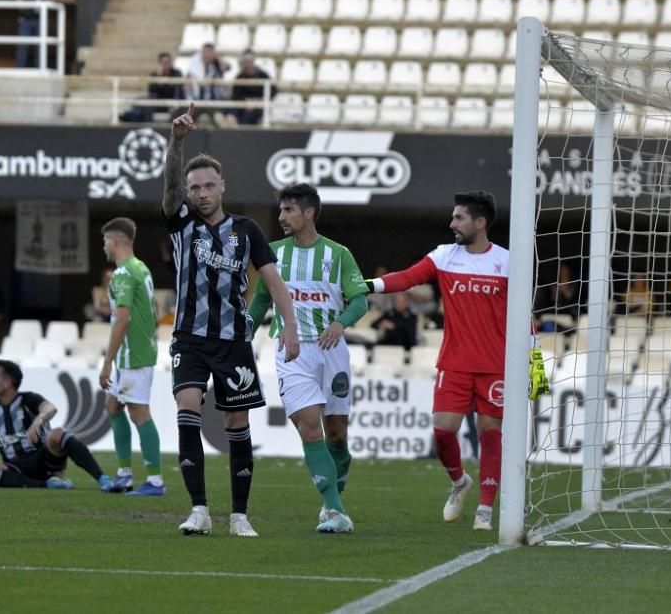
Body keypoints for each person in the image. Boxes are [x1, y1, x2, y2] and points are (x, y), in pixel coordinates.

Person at [163, 102, 300, 537]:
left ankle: (239, 514)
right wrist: (176, 143)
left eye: (208, 185)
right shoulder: (182, 222)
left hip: (233, 340)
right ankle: (199, 509)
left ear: (222, 186)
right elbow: (168, 191)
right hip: (189, 338)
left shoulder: (247, 230)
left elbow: (274, 282)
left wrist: (290, 326)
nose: (201, 192)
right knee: (187, 405)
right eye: (194, 187)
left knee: (237, 423)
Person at [365, 191, 507, 532]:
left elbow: (525, 317)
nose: (452, 223)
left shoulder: (507, 261)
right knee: (443, 431)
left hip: (495, 366)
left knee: (490, 434)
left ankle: (485, 509)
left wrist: (535, 369)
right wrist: (367, 285)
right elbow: (408, 277)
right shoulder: (445, 256)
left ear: (480, 222)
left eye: (459, 217)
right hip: (455, 364)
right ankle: (459, 482)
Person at [247, 183, 367, 533]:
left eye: (288, 210)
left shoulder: (338, 254)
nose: (281, 216)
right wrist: (243, 335)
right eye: (281, 210)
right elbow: (259, 303)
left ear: (309, 213)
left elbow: (359, 299)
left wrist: (340, 322)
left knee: (336, 433)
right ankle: (336, 510)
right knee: (309, 428)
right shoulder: (271, 253)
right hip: (291, 351)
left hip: (331, 352)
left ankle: (334, 497)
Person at [0, 360, 114, 490]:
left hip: (45, 459)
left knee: (57, 434)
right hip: (16, 468)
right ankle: (47, 485)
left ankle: (102, 479)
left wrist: (39, 419)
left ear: (7, 382)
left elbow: (50, 408)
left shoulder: (28, 399)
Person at [97, 218, 165, 496]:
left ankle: (156, 481)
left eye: (105, 241)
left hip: (133, 356)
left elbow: (121, 320)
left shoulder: (124, 273)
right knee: (112, 407)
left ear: (114, 241)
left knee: (139, 413)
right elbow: (154, 311)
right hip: (140, 350)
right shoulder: (142, 268)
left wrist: (107, 361)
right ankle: (124, 474)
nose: (104, 247)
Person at [120, 52, 185, 123]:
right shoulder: (155, 75)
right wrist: (159, 79)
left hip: (172, 104)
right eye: (163, 62)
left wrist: (174, 104)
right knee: (141, 101)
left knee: (143, 104)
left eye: (167, 62)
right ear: (160, 63)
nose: (165, 65)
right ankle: (131, 116)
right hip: (157, 104)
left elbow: (178, 91)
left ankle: (130, 116)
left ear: (171, 63)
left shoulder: (176, 73)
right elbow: (152, 92)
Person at [230, 50, 276, 125]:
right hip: (244, 105)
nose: (248, 63)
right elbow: (235, 95)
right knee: (232, 111)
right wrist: (245, 101)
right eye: (246, 59)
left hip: (259, 106)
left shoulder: (263, 75)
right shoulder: (239, 77)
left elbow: (273, 91)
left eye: (250, 59)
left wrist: (259, 100)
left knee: (250, 115)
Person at [534, 264, 581, 333]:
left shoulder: (575, 291)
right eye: (561, 273)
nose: (563, 275)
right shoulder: (548, 290)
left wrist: (565, 292)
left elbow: (575, 313)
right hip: (549, 321)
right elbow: (541, 313)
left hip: (566, 322)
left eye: (565, 274)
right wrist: (553, 295)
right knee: (548, 325)